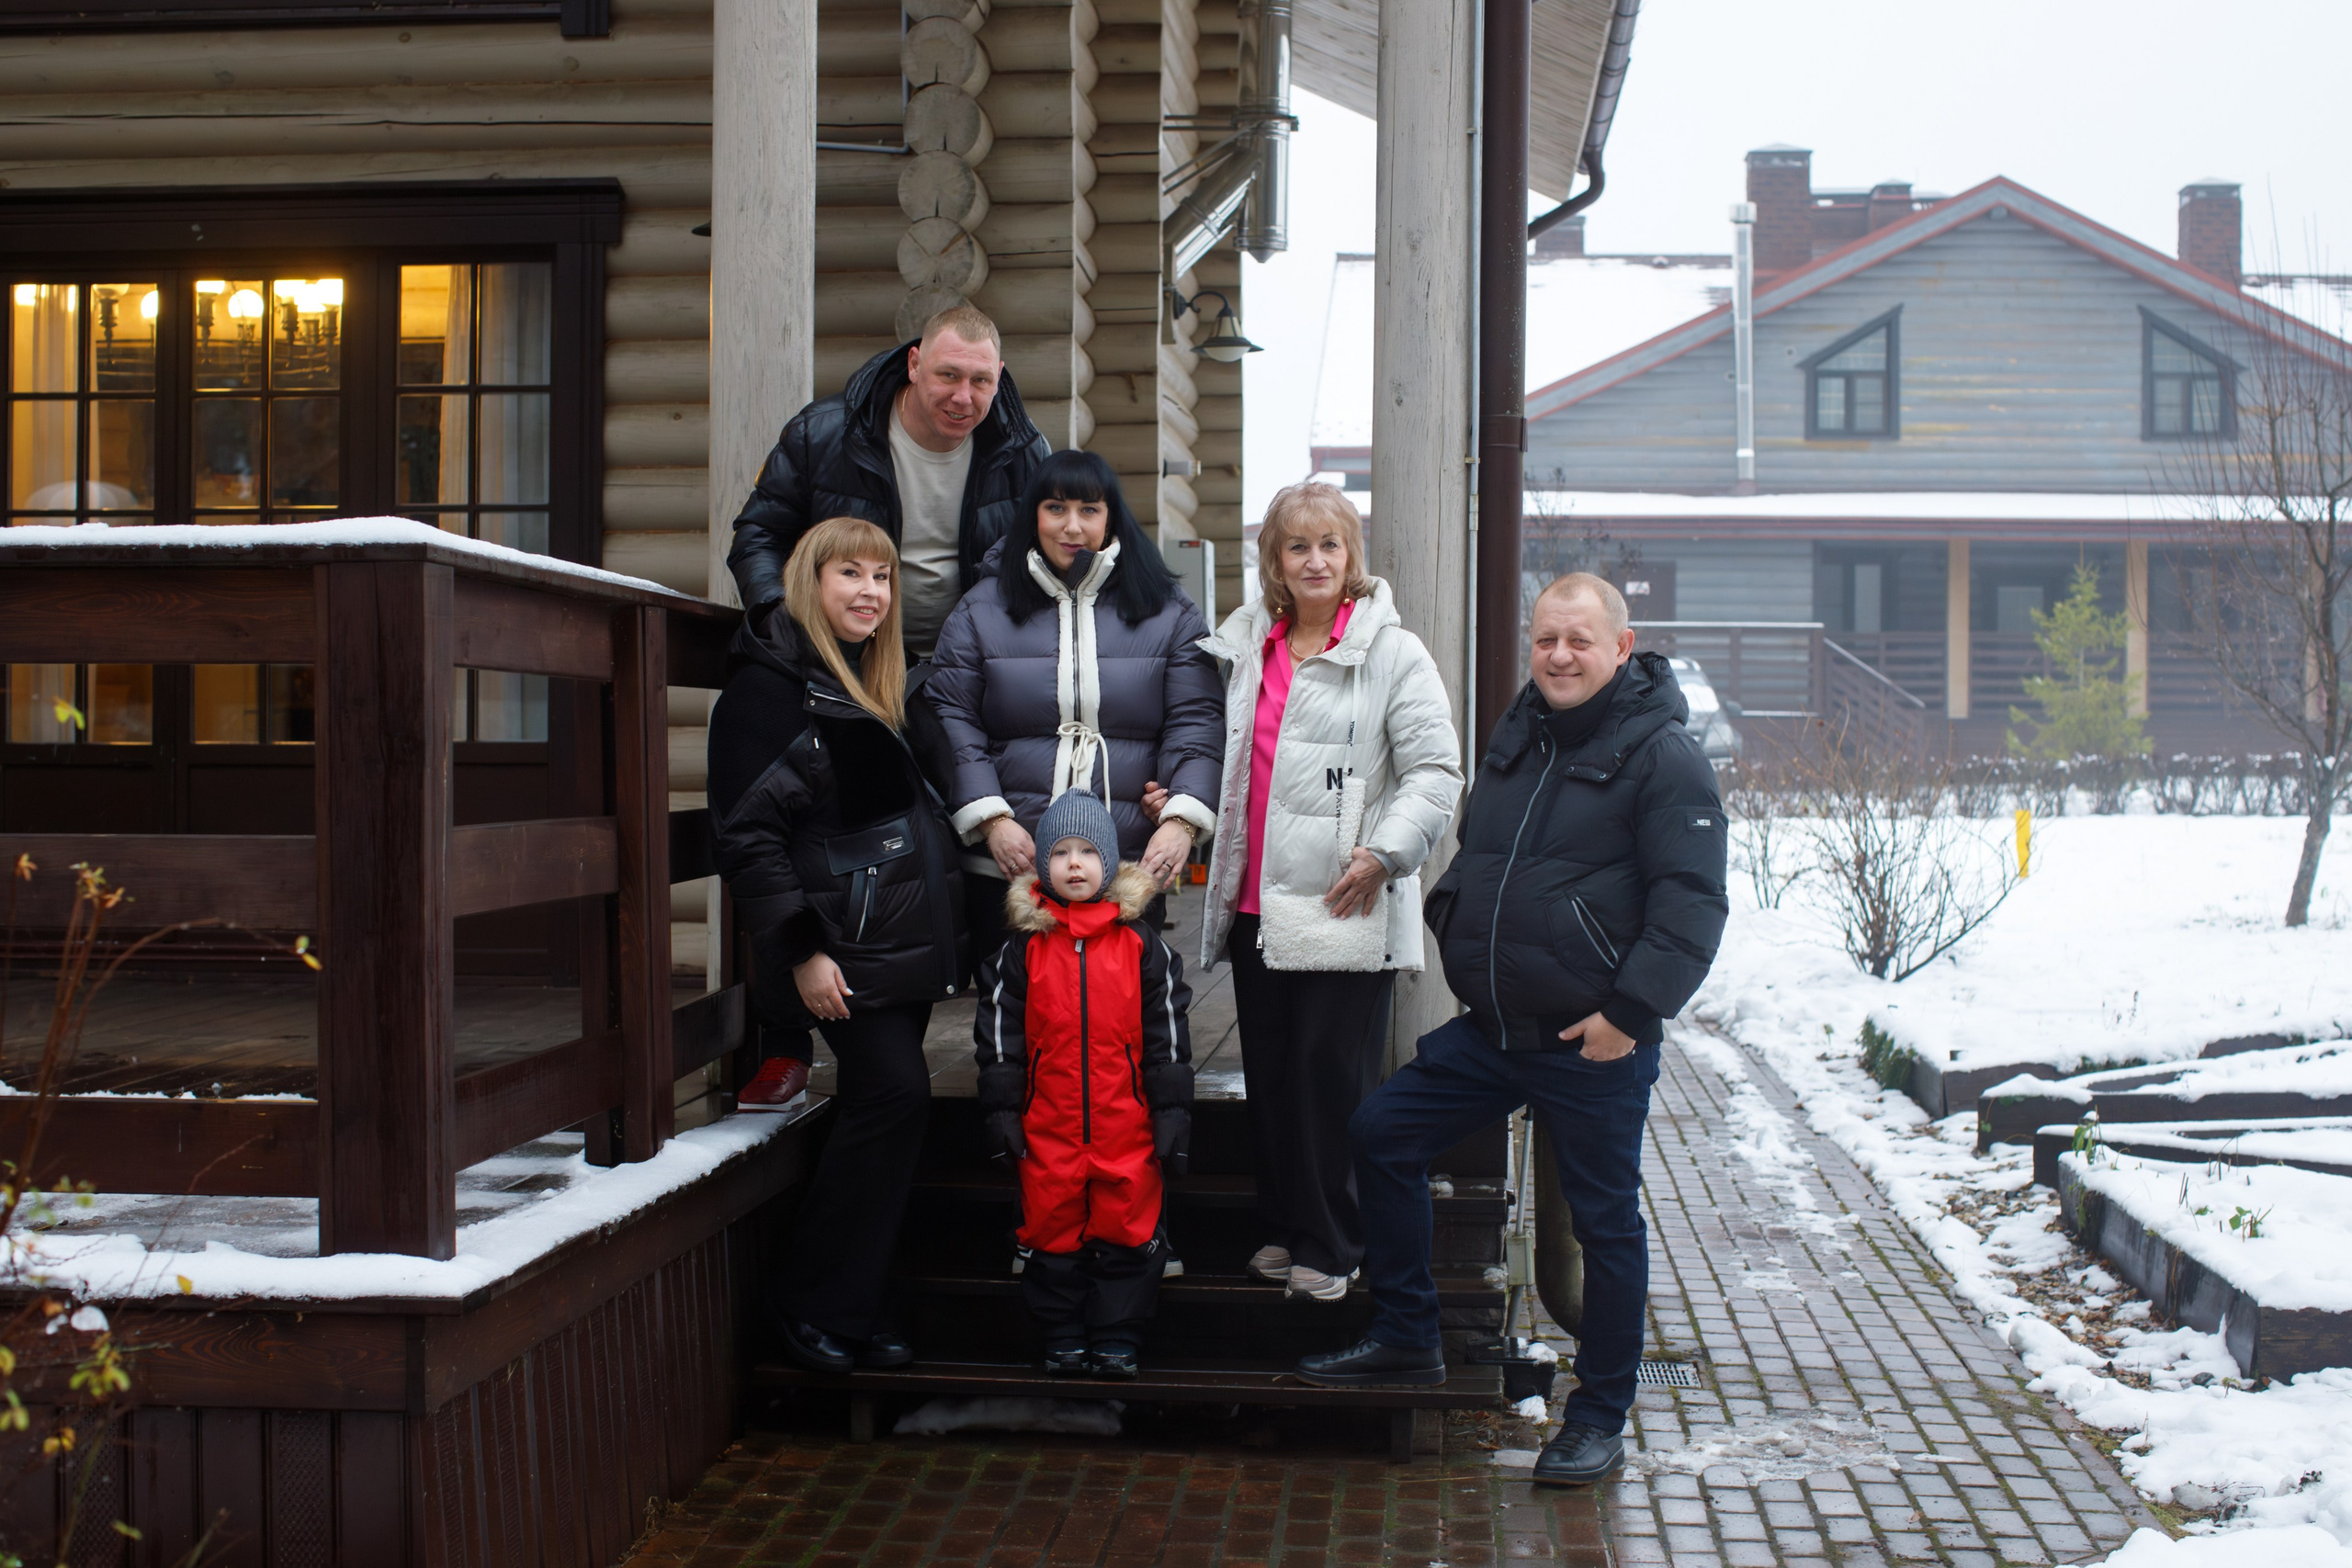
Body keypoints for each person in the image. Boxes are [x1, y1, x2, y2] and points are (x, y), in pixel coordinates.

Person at [1295, 572, 1729, 1489]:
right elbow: (1482, 852)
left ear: (1621, 645)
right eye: (1546, 641)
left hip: (1591, 1038)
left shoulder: (1663, 755)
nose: (1560, 657)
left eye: (1579, 641)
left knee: (1606, 1223)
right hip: (1494, 1029)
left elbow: (1690, 905)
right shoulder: (1520, 734)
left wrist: (1629, 1014)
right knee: (1382, 1132)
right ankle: (1409, 1336)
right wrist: (1456, 920)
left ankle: (1599, 1412)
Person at [1190, 481, 1463, 1302]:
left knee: (1329, 1072)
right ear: (1274, 559)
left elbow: (1435, 771)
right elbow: (1221, 756)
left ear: (1351, 559)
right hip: (1255, 900)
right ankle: (1285, 1225)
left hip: (1347, 894)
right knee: (1271, 1070)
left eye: (1329, 545)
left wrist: (1385, 853)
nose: (1314, 560)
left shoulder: (1392, 651)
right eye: (1297, 545)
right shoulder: (1244, 647)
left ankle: (1336, 1241)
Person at [713, 517, 969, 1374]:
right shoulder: (768, 689)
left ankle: (855, 1302)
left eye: (884, 577)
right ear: (808, 581)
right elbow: (748, 839)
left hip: (888, 942)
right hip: (839, 951)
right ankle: (809, 1305)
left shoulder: (869, 677)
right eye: (850, 574)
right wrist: (801, 953)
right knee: (890, 1097)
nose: (870, 591)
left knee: (893, 1107)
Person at [923, 448, 1225, 964]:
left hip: (1125, 861)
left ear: (1111, 520)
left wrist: (1182, 821)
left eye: (1089, 509)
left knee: (1123, 1019)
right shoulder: (981, 609)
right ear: (1033, 517)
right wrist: (992, 819)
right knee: (1013, 1020)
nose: (1073, 527)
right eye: (1056, 508)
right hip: (1015, 858)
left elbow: (1196, 721)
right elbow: (951, 717)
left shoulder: (1168, 610)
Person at [973, 788, 1193, 1379]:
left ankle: (1118, 1334)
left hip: (1127, 1120)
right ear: (1042, 865)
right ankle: (1063, 1332)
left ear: (1110, 863)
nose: (1075, 864)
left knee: (1128, 1227)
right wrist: (1001, 1111)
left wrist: (1172, 1111)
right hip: (1049, 1123)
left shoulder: (1141, 945)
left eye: (1088, 853)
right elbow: (1000, 1039)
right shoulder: (1022, 950)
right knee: (1051, 1231)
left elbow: (1167, 1033)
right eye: (1062, 852)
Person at [725, 303, 1052, 660]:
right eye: (948, 375)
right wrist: (785, 620)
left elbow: (1051, 563)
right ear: (914, 365)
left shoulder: (1025, 452)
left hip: (970, 666)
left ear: (999, 377)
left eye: (980, 380)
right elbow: (759, 537)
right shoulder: (821, 435)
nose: (963, 396)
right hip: (841, 660)